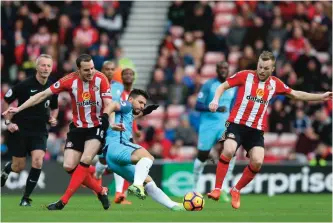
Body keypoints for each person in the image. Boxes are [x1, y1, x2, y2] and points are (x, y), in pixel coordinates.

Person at [207, 51, 332, 209]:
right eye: (260, 66)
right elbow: (222, 86)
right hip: (236, 124)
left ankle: (236, 190)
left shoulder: (275, 84)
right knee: (229, 149)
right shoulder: (245, 75)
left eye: (266, 68)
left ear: (272, 69)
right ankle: (217, 189)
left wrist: (321, 97)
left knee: (258, 161)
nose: (261, 70)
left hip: (255, 130)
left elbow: (296, 94)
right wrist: (215, 99)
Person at [3, 54, 123, 211]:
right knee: (68, 166)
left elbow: (109, 104)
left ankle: (62, 202)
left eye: (92, 68)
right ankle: (101, 191)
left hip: (97, 126)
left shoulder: (101, 79)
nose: (91, 72)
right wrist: (18, 109)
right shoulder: (69, 80)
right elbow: (42, 95)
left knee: (85, 160)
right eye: (87, 70)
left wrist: (111, 123)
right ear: (78, 70)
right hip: (77, 128)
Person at [104, 89, 184, 211]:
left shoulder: (128, 112)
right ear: (131, 99)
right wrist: (107, 120)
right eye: (140, 102)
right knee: (148, 157)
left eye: (144, 104)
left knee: (148, 181)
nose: (142, 106)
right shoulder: (126, 104)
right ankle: (137, 185)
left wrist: (145, 111)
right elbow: (113, 105)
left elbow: (132, 115)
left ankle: (173, 206)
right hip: (118, 145)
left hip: (111, 157)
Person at [95, 65, 158, 204]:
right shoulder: (97, 84)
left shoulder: (121, 89)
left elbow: (128, 114)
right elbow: (114, 107)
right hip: (103, 125)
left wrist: (139, 121)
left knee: (119, 160)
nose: (110, 71)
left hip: (119, 129)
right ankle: (96, 176)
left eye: (112, 69)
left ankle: (119, 193)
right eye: (126, 74)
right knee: (103, 161)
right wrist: (105, 119)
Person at [1, 54, 59, 206]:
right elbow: (6, 100)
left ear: (51, 68)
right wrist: (8, 122)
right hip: (21, 130)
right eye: (43, 65)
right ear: (37, 67)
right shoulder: (25, 85)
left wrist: (53, 118)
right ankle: (8, 169)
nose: (46, 68)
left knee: (38, 161)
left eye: (48, 66)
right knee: (18, 167)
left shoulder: (53, 87)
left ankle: (25, 198)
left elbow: (55, 108)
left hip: (40, 131)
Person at [193, 61, 237, 202]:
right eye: (221, 68)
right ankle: (195, 188)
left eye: (225, 68)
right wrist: (214, 108)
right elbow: (197, 105)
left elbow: (234, 105)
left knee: (232, 151)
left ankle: (223, 187)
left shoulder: (232, 87)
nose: (223, 70)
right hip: (208, 125)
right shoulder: (209, 85)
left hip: (225, 125)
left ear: (228, 70)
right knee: (202, 156)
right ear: (216, 70)